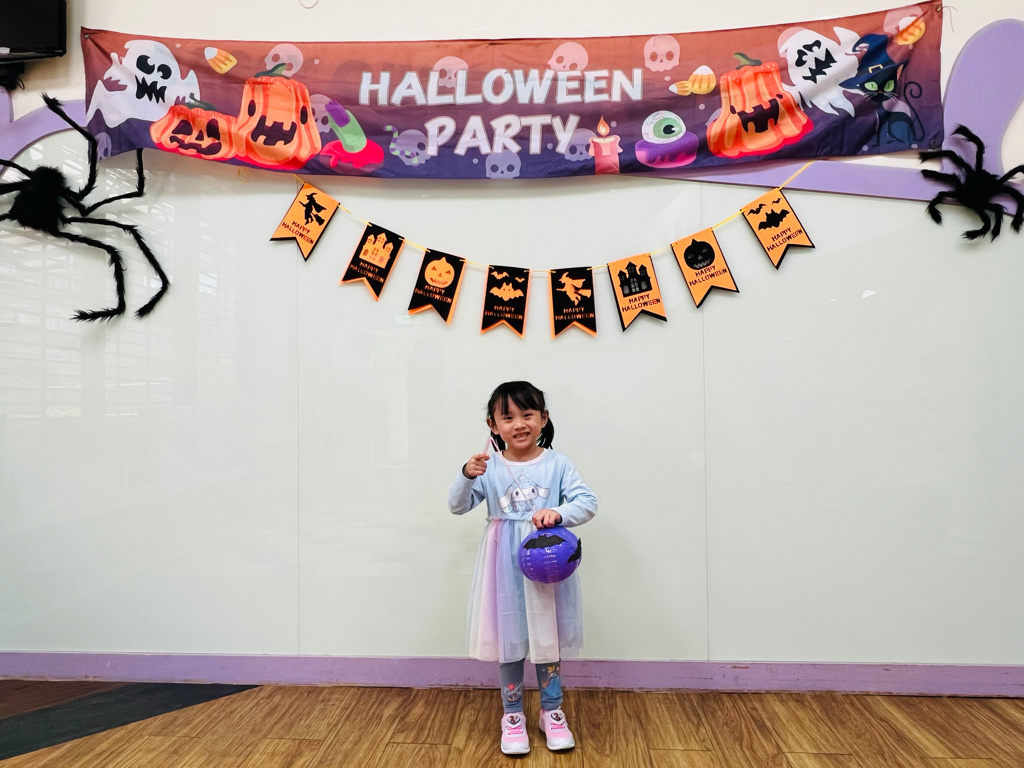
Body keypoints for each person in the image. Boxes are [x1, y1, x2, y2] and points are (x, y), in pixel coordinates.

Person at [448, 381, 597, 755]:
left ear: (543, 418)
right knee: (509, 636)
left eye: (527, 414)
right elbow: (457, 506)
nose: (519, 424)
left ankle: (552, 711)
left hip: (545, 564)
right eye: (508, 417)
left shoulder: (557, 463)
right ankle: (512, 715)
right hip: (503, 567)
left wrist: (557, 512)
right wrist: (466, 474)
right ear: (493, 425)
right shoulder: (488, 467)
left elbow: (587, 502)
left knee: (547, 636)